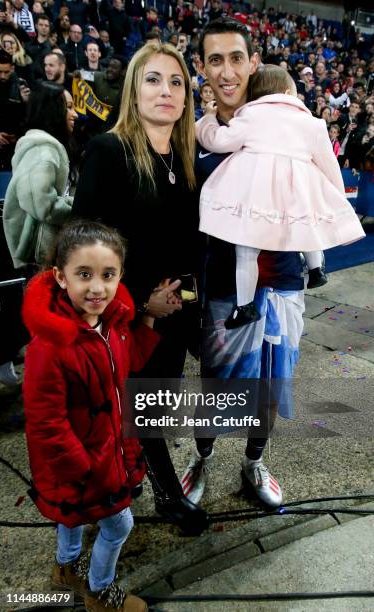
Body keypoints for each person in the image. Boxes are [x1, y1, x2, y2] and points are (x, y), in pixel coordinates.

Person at [180, 17, 330, 508]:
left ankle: (254, 460)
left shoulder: (285, 127)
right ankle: (201, 457)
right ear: (201, 68)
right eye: (215, 60)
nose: (227, 71)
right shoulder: (197, 138)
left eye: (236, 58)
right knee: (220, 386)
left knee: (269, 383)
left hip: (283, 283)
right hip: (224, 288)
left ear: (252, 63)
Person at [72, 42, 208, 535]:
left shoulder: (188, 158)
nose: (166, 91)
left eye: (176, 82)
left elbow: (190, 246)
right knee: (131, 407)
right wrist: (140, 302)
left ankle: (139, 476)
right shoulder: (109, 150)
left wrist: (185, 305)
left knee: (154, 406)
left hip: (174, 314)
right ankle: (166, 495)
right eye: (153, 79)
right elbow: (86, 248)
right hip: (126, 316)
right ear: (133, 87)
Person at [22, 220, 159, 612]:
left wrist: (146, 324)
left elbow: (121, 372)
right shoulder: (50, 345)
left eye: (107, 275)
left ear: (120, 277)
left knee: (72, 517)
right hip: (86, 467)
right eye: (84, 275)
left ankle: (65, 568)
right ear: (60, 277)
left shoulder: (112, 325)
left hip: (103, 454)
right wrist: (85, 469)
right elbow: (46, 422)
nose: (96, 287)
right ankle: (100, 593)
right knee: (119, 525)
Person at [195, 63, 364, 328]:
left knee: (246, 251)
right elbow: (329, 164)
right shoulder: (313, 123)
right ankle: (317, 268)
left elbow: (217, 141)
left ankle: (245, 306)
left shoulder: (250, 116)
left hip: (258, 194)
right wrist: (338, 200)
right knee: (305, 223)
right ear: (289, 91)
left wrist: (205, 119)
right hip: (297, 190)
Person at [3, 83, 77, 270]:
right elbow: (43, 206)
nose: (75, 114)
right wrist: (80, 205)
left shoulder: (48, 147)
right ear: (52, 110)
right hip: (39, 258)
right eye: (68, 107)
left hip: (49, 254)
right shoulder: (42, 149)